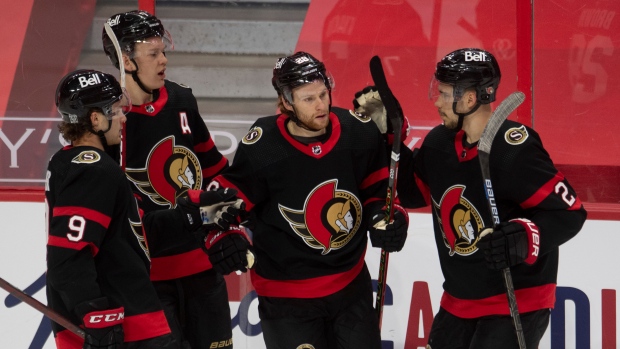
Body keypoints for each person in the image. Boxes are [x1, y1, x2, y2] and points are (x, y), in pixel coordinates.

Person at [354, 48, 587, 348]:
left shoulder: (514, 148)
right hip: (459, 301)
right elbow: (412, 192)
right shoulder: (440, 143)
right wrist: (390, 135)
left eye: (444, 93)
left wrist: (522, 237)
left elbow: (570, 213)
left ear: (469, 98)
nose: (436, 101)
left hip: (516, 300)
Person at [203, 51, 409, 349]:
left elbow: (377, 191)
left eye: (323, 94)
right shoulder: (264, 145)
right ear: (286, 102)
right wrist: (224, 235)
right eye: (308, 99)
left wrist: (386, 216)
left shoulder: (357, 131)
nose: (321, 105)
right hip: (287, 300)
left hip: (350, 289)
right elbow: (224, 204)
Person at [102, 10, 233, 348]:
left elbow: (214, 170)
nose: (163, 61)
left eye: (164, 52)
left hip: (202, 270)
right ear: (127, 61)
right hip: (145, 282)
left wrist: (228, 224)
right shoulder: (107, 119)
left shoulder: (181, 99)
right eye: (153, 54)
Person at [46, 69, 178, 349]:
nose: (123, 118)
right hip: (124, 323)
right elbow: (68, 252)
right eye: (116, 111)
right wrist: (93, 311)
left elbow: (126, 233)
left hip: (118, 318)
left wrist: (190, 215)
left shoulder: (69, 162)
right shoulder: (94, 169)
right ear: (95, 119)